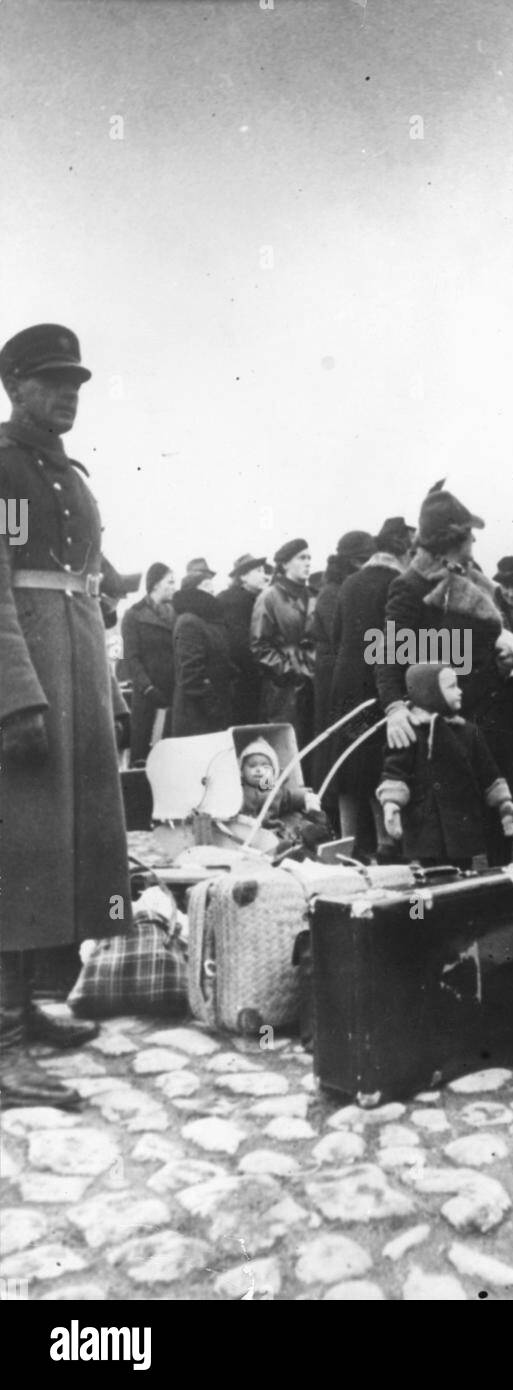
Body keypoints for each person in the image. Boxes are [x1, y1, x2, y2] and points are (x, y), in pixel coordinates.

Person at [0, 323, 132, 1108]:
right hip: (31, 675)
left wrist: (105, 697)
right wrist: (16, 695)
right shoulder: (7, 473)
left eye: (77, 383)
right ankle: (6, 1044)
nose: (69, 394)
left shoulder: (66, 474)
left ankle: (31, 1006)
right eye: (52, 381)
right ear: (16, 386)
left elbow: (85, 588)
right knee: (16, 854)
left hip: (76, 671)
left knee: (57, 853)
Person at [376, 485, 513, 865]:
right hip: (452, 724)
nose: (474, 541)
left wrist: (500, 661)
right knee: (458, 836)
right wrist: (395, 709)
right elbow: (386, 655)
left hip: (493, 715)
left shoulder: (476, 582)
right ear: (452, 540)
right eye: (469, 534)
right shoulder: (411, 587)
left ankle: (512, 903)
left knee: (508, 814)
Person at [377, 663, 513, 868]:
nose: (460, 691)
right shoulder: (411, 732)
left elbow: (488, 772)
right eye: (452, 687)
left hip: (461, 826)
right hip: (425, 826)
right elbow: (394, 771)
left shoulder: (468, 732)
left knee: (461, 872)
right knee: (429, 877)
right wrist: (391, 803)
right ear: (430, 692)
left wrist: (502, 802)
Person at [329, 516, 414, 859]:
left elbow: (337, 635)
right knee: (381, 762)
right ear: (402, 549)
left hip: (345, 688)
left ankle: (346, 846)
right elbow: (401, 643)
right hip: (379, 685)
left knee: (350, 765)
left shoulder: (350, 583)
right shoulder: (399, 583)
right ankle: (387, 844)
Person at [310, 530, 375, 787]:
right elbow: (339, 634)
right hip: (331, 675)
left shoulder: (343, 588)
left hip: (339, 669)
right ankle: (329, 802)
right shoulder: (332, 592)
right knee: (333, 738)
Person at [250, 537, 317, 758]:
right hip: (283, 691)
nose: (308, 563)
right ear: (286, 563)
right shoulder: (269, 596)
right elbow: (259, 646)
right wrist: (291, 669)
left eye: (309, 558)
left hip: (312, 686)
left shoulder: (314, 596)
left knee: (310, 751)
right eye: (301, 558)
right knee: (282, 752)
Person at [121, 562, 176, 765]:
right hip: (146, 698)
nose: (174, 587)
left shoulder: (176, 613)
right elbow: (131, 658)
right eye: (170, 582)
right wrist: (148, 688)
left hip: (172, 695)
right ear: (155, 585)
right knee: (142, 755)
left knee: (170, 756)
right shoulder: (133, 615)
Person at [171, 563, 233, 736]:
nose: (212, 591)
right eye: (206, 586)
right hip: (196, 718)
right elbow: (191, 675)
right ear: (193, 592)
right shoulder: (189, 622)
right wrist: (215, 708)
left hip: (209, 714)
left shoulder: (207, 622)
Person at [217, 553, 271, 725]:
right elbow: (240, 645)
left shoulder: (254, 598)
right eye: (258, 570)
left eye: (264, 571)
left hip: (249, 678)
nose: (264, 575)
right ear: (243, 576)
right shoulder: (234, 601)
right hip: (241, 681)